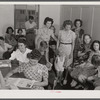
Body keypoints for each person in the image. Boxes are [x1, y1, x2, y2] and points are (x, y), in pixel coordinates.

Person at [57, 20, 76, 85]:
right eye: (66, 26)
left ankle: (65, 78)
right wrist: (57, 49)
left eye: (69, 26)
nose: (68, 28)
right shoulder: (60, 32)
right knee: (60, 64)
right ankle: (60, 78)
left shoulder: (73, 33)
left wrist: (71, 52)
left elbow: (73, 43)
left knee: (67, 65)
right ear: (64, 26)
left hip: (69, 48)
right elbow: (58, 41)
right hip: (61, 47)